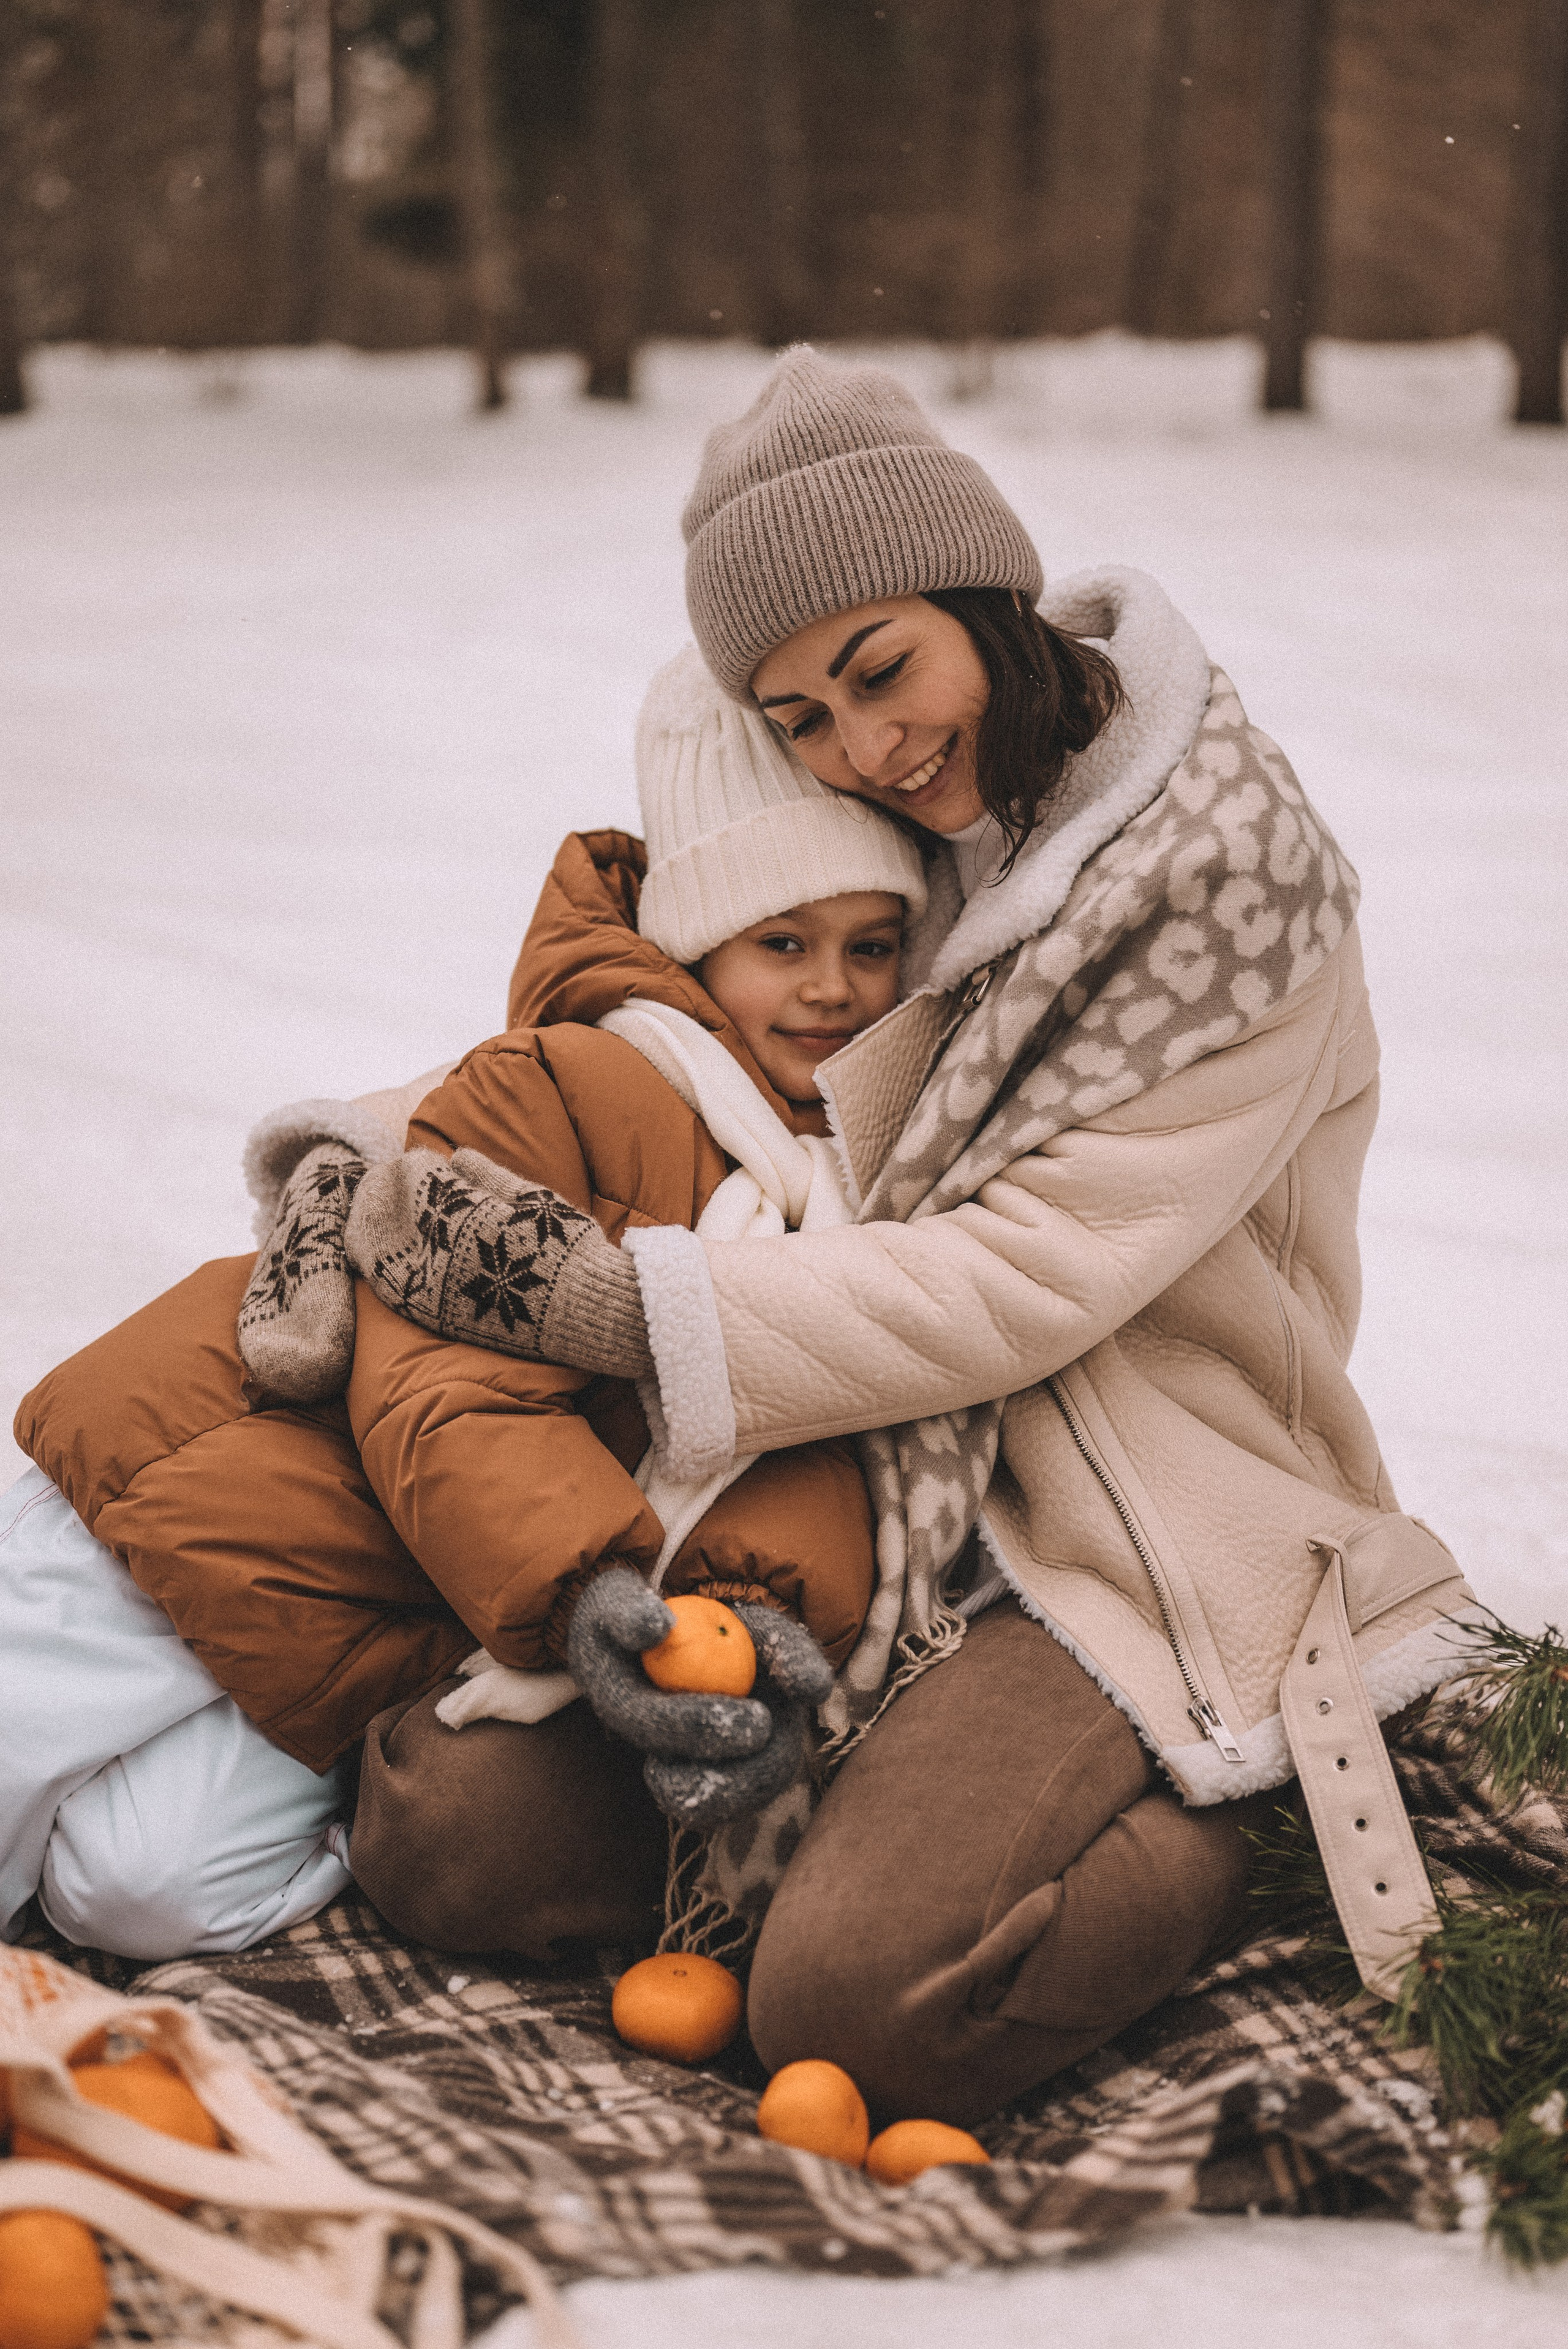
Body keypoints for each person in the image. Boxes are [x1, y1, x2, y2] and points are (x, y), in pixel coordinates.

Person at [335, 346, 1475, 2126]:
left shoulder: (1226, 889)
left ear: (982, 593)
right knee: (447, 1829)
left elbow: (1018, 1278)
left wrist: (622, 1307)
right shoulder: (927, 833)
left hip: (1132, 1523)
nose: (863, 745)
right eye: (799, 717)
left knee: (864, 2009)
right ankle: (879, 1812)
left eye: (880, 669)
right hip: (859, 1486)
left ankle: (1247, 1816)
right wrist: (365, 1159)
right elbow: (680, 1019)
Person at [7, 645, 927, 1961]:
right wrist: (581, 1586)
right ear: (698, 941)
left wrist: (751, 1603)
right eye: (783, 943)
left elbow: (806, 1424)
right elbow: (444, 1377)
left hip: (392, 1619)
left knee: (145, 1890)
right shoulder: (574, 1079)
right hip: (219, 1487)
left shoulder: (855, 1187)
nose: (832, 987)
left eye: (871, 947)